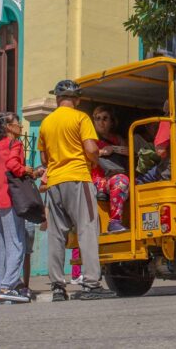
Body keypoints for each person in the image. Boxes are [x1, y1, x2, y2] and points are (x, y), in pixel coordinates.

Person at [38, 80, 116, 301]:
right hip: (78, 178)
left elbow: (44, 158)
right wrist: (95, 159)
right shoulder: (81, 118)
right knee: (87, 230)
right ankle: (91, 284)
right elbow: (91, 149)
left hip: (54, 183)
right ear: (78, 99)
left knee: (56, 235)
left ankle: (57, 288)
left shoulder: (46, 123)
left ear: (57, 99)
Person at [0, 112, 39, 305]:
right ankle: (8, 286)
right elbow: (13, 165)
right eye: (17, 124)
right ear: (8, 127)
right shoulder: (14, 144)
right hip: (10, 199)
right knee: (17, 243)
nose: (20, 126)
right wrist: (28, 170)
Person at [91, 105, 131, 233]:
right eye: (97, 119)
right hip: (96, 178)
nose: (101, 122)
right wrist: (102, 152)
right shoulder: (90, 138)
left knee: (122, 181)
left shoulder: (118, 139)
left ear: (111, 122)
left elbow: (129, 152)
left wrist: (115, 149)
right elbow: (85, 155)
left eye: (105, 118)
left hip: (115, 175)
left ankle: (115, 222)